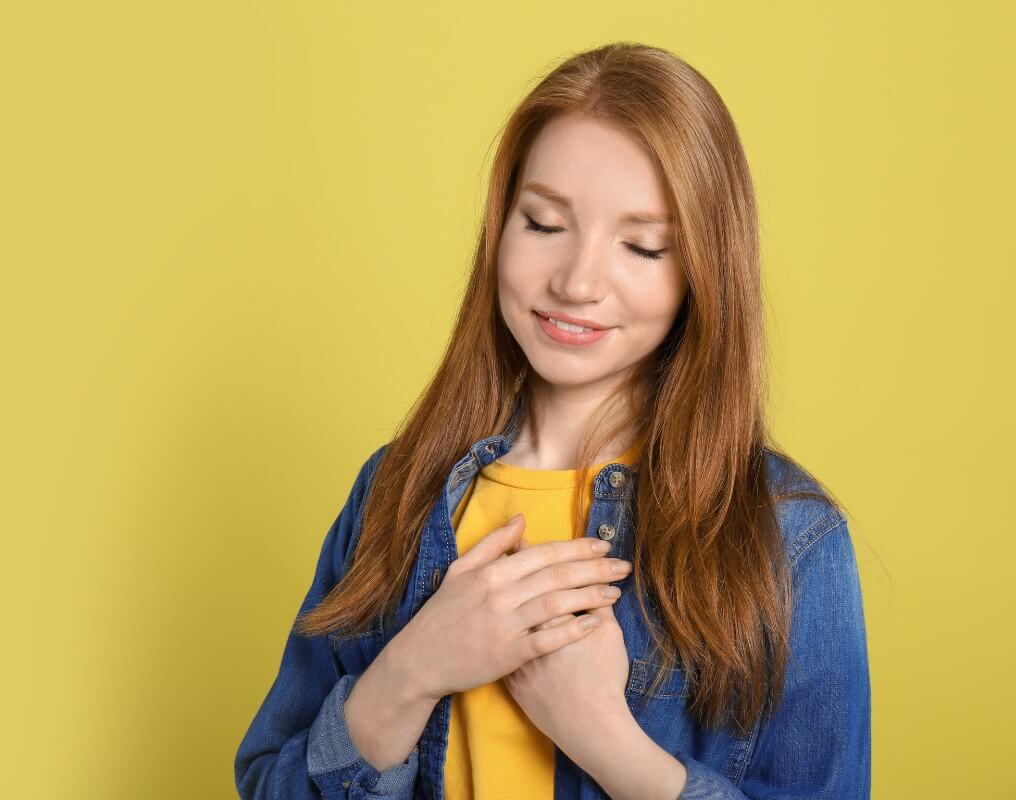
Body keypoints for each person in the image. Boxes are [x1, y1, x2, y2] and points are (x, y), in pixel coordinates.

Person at [234, 41, 870, 800]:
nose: (576, 282)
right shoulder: (393, 493)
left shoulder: (788, 538)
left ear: (702, 271)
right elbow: (270, 783)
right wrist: (411, 670)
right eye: (542, 224)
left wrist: (603, 738)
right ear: (500, 229)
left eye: (642, 246)